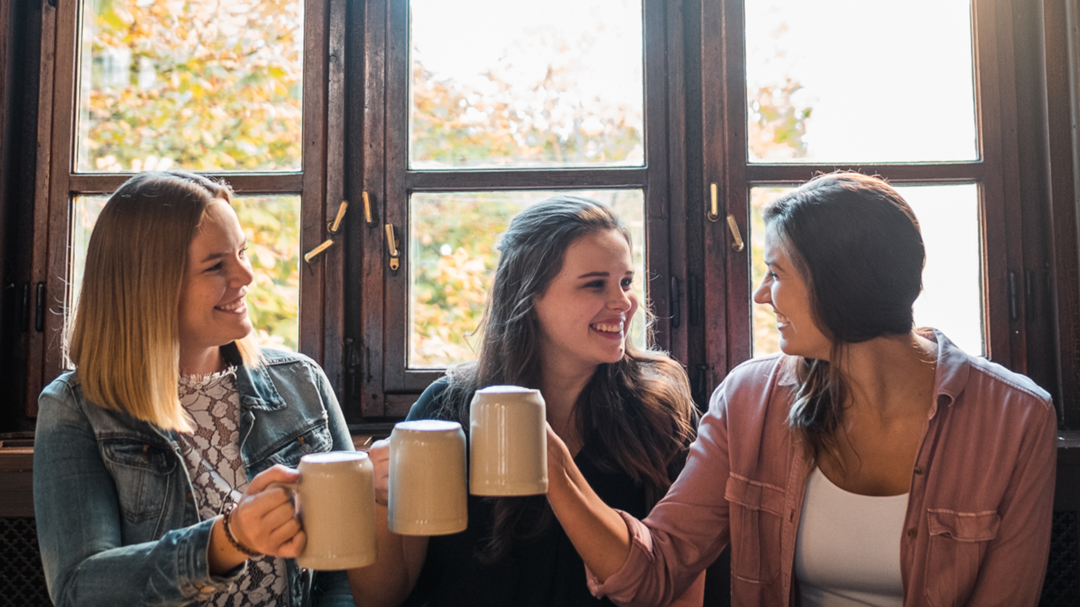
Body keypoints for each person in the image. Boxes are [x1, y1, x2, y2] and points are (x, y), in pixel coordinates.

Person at [545, 172, 1058, 606]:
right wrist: (557, 469)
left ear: (840, 284)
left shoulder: (1015, 417)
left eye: (775, 273)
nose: (761, 295)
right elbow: (654, 572)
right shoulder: (750, 398)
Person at [348, 196, 703, 607]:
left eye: (626, 281)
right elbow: (382, 599)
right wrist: (376, 502)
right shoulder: (445, 410)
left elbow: (680, 589)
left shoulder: (656, 409)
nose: (624, 303)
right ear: (529, 295)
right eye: (595, 284)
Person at [33, 170, 355, 607]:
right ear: (149, 287)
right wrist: (229, 540)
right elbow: (79, 589)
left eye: (242, 253)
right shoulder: (74, 409)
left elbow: (340, 579)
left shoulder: (302, 381)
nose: (246, 276)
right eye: (216, 265)